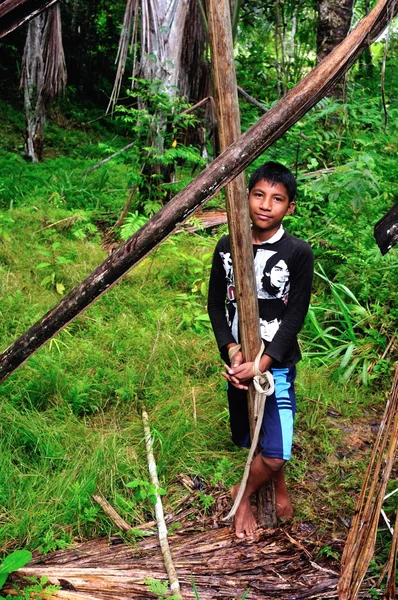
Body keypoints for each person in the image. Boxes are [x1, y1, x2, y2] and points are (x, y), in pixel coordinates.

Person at [207, 161, 314, 539]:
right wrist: (233, 352)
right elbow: (216, 306)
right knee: (250, 433)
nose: (265, 205)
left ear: (290, 208)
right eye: (258, 195)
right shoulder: (227, 247)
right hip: (240, 365)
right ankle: (273, 486)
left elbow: (295, 316)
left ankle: (243, 493)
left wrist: (262, 363)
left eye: (277, 199)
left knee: (276, 452)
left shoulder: (299, 252)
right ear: (246, 197)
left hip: (276, 368)